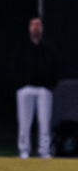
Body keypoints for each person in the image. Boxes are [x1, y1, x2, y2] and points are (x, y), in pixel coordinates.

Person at [15, 17, 60, 159]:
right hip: (25, 89)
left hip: (43, 90)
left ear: (42, 28)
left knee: (45, 122)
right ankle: (24, 150)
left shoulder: (47, 49)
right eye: (33, 25)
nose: (36, 28)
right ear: (29, 28)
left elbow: (55, 68)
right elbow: (13, 66)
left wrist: (49, 85)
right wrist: (19, 84)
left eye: (38, 25)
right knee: (24, 122)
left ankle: (44, 151)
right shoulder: (21, 48)